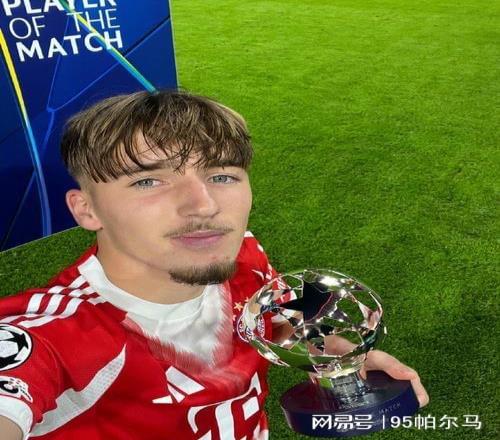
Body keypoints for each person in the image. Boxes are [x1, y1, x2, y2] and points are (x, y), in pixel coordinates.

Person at [0, 90, 428, 439]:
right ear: (86, 209)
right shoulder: (48, 335)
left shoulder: (242, 253)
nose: (204, 205)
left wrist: (322, 348)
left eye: (222, 176)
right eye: (148, 180)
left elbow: (272, 316)